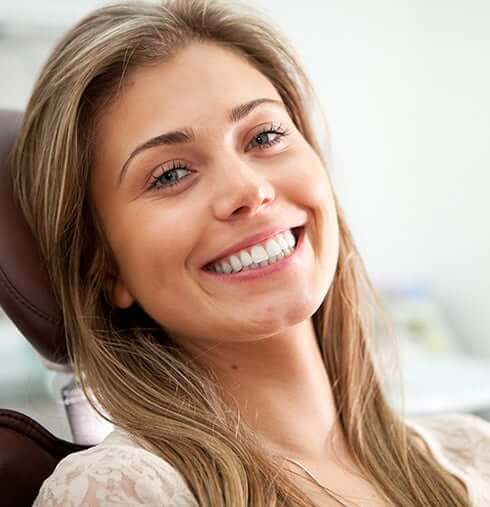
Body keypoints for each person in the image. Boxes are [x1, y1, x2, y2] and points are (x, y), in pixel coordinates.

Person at [11, 1, 490, 505]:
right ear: (103, 266)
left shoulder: (474, 455)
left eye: (265, 135)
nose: (250, 189)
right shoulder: (122, 490)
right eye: (171, 174)